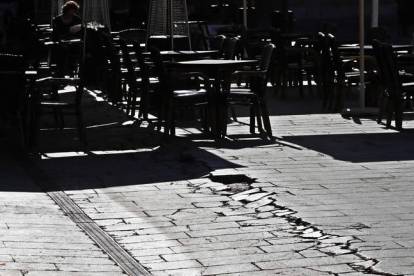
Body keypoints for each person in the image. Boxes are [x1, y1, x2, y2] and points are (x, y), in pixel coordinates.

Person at [51, 1, 82, 77]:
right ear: (66, 11)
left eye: (73, 12)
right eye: (70, 12)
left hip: (73, 41)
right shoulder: (57, 19)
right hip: (60, 41)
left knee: (74, 50)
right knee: (62, 50)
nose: (71, 14)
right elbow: (56, 33)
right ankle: (61, 72)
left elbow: (80, 30)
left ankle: (72, 71)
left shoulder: (76, 19)